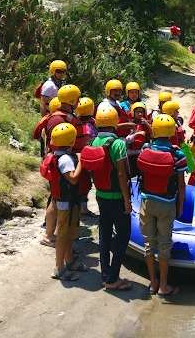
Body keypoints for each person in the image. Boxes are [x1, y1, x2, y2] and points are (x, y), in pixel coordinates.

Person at [80, 106, 132, 291]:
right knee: (123, 236)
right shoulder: (118, 144)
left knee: (104, 234)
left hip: (100, 195)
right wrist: (127, 200)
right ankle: (113, 279)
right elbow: (121, 174)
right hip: (117, 196)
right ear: (114, 122)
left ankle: (105, 276)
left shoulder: (93, 141)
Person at [137, 114, 187, 296]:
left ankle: (153, 283)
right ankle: (164, 286)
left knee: (149, 244)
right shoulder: (178, 155)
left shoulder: (145, 148)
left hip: (147, 201)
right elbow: (181, 185)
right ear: (172, 131)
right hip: (167, 204)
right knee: (165, 245)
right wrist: (181, 205)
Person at [39, 122, 83, 281]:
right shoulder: (65, 159)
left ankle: (69, 261)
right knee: (63, 234)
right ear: (71, 140)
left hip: (62, 199)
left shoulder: (56, 153)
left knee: (69, 233)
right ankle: (59, 268)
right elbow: (73, 179)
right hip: (66, 201)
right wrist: (82, 162)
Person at [39, 84, 81, 248]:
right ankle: (50, 235)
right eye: (76, 99)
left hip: (59, 160)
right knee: (56, 199)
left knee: (56, 198)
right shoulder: (59, 119)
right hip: (60, 162)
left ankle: (54, 232)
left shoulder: (61, 116)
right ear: (71, 100)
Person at [74, 97, 98, 218]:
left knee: (83, 183)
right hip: (86, 156)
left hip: (78, 156)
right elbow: (89, 141)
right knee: (85, 184)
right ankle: (83, 208)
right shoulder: (89, 126)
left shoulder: (75, 121)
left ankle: (81, 207)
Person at [125, 102, 151, 177]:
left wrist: (147, 124)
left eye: (142, 112)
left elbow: (152, 134)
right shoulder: (130, 124)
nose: (140, 114)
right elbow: (126, 139)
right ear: (133, 112)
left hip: (142, 152)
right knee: (132, 173)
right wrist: (135, 134)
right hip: (131, 152)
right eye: (138, 112)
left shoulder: (146, 123)